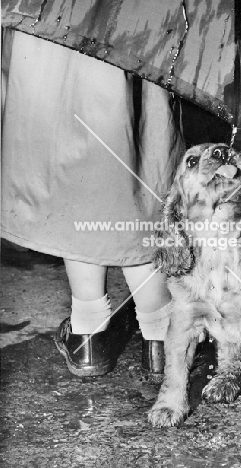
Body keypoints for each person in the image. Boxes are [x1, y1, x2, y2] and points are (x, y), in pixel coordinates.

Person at [1, 29, 185, 377]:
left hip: (49, 30)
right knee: (138, 169)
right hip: (133, 33)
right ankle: (161, 334)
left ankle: (88, 333)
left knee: (73, 168)